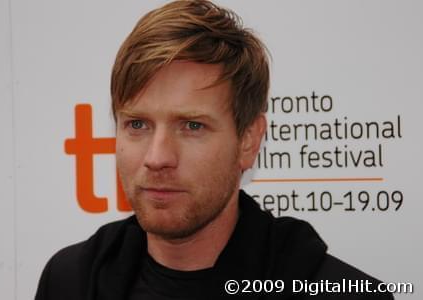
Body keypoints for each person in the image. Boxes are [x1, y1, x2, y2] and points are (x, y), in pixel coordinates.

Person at [35, 1, 394, 299]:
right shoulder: (69, 282)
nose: (157, 157)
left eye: (192, 126)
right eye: (138, 125)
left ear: (248, 141)